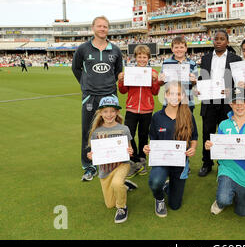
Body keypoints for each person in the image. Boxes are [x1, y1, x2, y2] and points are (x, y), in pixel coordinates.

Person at [72, 16, 123, 181]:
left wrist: (108, 85)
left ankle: (112, 163)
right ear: (93, 28)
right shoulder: (83, 49)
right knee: (88, 131)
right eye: (99, 26)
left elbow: (118, 72)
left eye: (105, 26)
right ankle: (89, 166)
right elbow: (76, 68)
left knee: (113, 130)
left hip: (110, 96)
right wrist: (85, 85)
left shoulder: (115, 50)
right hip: (90, 97)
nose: (103, 29)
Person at [143, 81, 198, 218]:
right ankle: (160, 198)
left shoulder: (188, 115)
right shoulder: (157, 116)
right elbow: (153, 140)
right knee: (155, 182)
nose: (175, 97)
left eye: (178, 94)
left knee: (175, 205)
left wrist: (193, 148)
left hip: (180, 162)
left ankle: (168, 186)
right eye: (171, 93)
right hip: (161, 161)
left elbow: (194, 137)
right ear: (166, 95)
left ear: (182, 96)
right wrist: (148, 148)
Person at [205, 87, 245, 216]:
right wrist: (211, 145)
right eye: (235, 102)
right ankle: (221, 200)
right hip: (228, 169)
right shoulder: (224, 124)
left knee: (242, 212)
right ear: (230, 104)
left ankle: (236, 193)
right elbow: (218, 146)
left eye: (243, 102)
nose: (239, 106)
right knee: (223, 199)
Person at [196, 29, 242, 177]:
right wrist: (199, 87)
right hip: (209, 102)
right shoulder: (206, 58)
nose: (219, 41)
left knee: (225, 134)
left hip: (226, 102)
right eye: (216, 39)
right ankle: (206, 163)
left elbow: (239, 83)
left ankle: (225, 163)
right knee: (207, 133)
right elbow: (203, 78)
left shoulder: (236, 59)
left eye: (222, 39)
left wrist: (233, 90)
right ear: (213, 41)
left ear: (227, 42)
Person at [86, 95, 137, 224]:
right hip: (105, 170)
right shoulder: (96, 132)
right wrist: (91, 156)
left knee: (116, 185)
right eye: (105, 111)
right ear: (100, 113)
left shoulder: (124, 129)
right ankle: (125, 186)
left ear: (117, 112)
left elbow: (130, 149)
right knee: (109, 204)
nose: (109, 114)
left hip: (121, 165)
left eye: (112, 111)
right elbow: (94, 152)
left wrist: (130, 151)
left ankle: (122, 208)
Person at [118, 45, 160, 178]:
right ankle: (133, 159)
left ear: (148, 58)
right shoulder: (130, 71)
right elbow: (123, 90)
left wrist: (155, 80)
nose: (142, 59)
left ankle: (141, 160)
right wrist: (121, 81)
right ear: (135, 58)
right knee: (128, 134)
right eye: (139, 57)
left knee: (143, 136)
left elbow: (155, 92)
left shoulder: (153, 72)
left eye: (145, 57)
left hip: (146, 110)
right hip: (131, 108)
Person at [158, 36, 198, 112]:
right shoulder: (166, 63)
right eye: (176, 47)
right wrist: (160, 79)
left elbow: (196, 85)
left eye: (181, 47)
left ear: (186, 48)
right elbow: (161, 83)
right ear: (172, 49)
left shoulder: (192, 63)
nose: (179, 49)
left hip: (187, 102)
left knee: (186, 124)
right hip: (169, 102)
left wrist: (194, 81)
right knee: (169, 124)